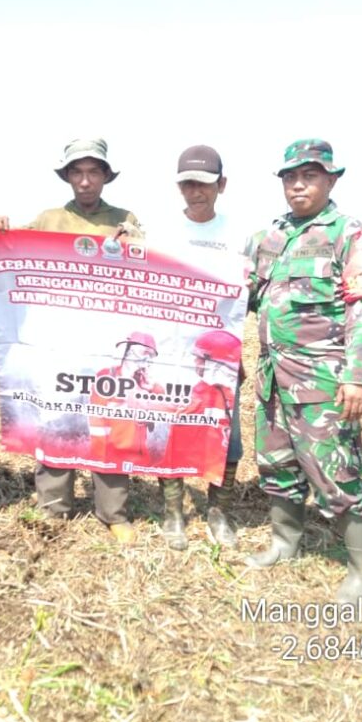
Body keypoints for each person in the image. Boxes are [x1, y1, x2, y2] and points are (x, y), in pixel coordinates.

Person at [246, 139, 362, 605]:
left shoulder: (349, 234)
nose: (298, 185)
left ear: (330, 179)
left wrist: (361, 377)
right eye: (290, 177)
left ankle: (361, 572)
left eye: (309, 175)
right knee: (278, 465)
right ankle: (285, 543)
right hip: (272, 376)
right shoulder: (271, 236)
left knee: (337, 473)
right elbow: (239, 292)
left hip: (322, 381)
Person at [0, 138, 143, 544]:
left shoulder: (126, 219)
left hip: (107, 340)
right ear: (67, 176)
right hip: (57, 340)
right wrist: (2, 231)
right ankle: (54, 505)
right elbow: (13, 264)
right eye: (77, 172)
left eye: (94, 172)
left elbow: (145, 269)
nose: (85, 180)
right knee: (56, 414)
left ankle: (112, 511)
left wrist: (133, 247)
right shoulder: (48, 220)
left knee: (110, 420)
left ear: (106, 177)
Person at [157, 145, 246, 551]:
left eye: (205, 184)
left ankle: (218, 512)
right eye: (188, 184)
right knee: (171, 431)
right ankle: (173, 512)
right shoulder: (161, 233)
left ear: (221, 185)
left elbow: (252, 293)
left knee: (227, 437)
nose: (196, 192)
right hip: (173, 354)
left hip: (221, 356)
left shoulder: (239, 235)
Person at [88, 332, 163, 468]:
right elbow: (96, 420)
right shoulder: (107, 376)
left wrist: (153, 388)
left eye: (150, 355)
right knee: (116, 489)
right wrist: (101, 457)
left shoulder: (145, 381)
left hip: (138, 456)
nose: (146, 359)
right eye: (142, 353)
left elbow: (168, 405)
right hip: (112, 455)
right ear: (126, 352)